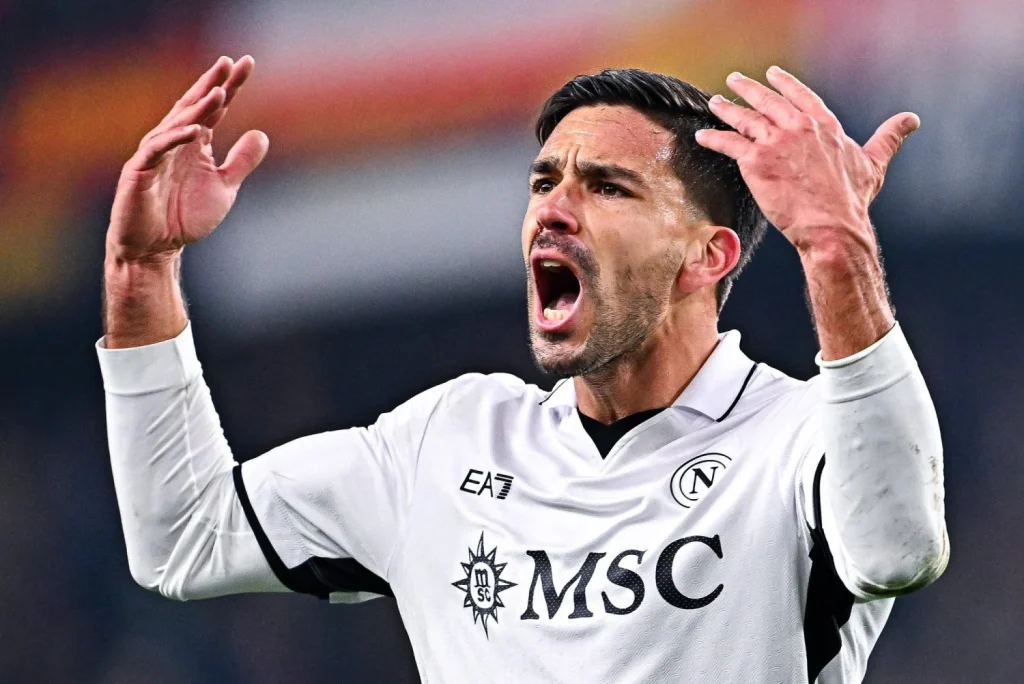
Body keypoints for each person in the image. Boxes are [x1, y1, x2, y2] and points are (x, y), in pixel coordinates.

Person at [98, 55, 948, 683]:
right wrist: (141, 277)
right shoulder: (446, 442)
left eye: (607, 187)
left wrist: (835, 251)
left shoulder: (798, 438)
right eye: (545, 182)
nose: (553, 209)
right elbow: (184, 538)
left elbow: (899, 551)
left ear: (706, 257)